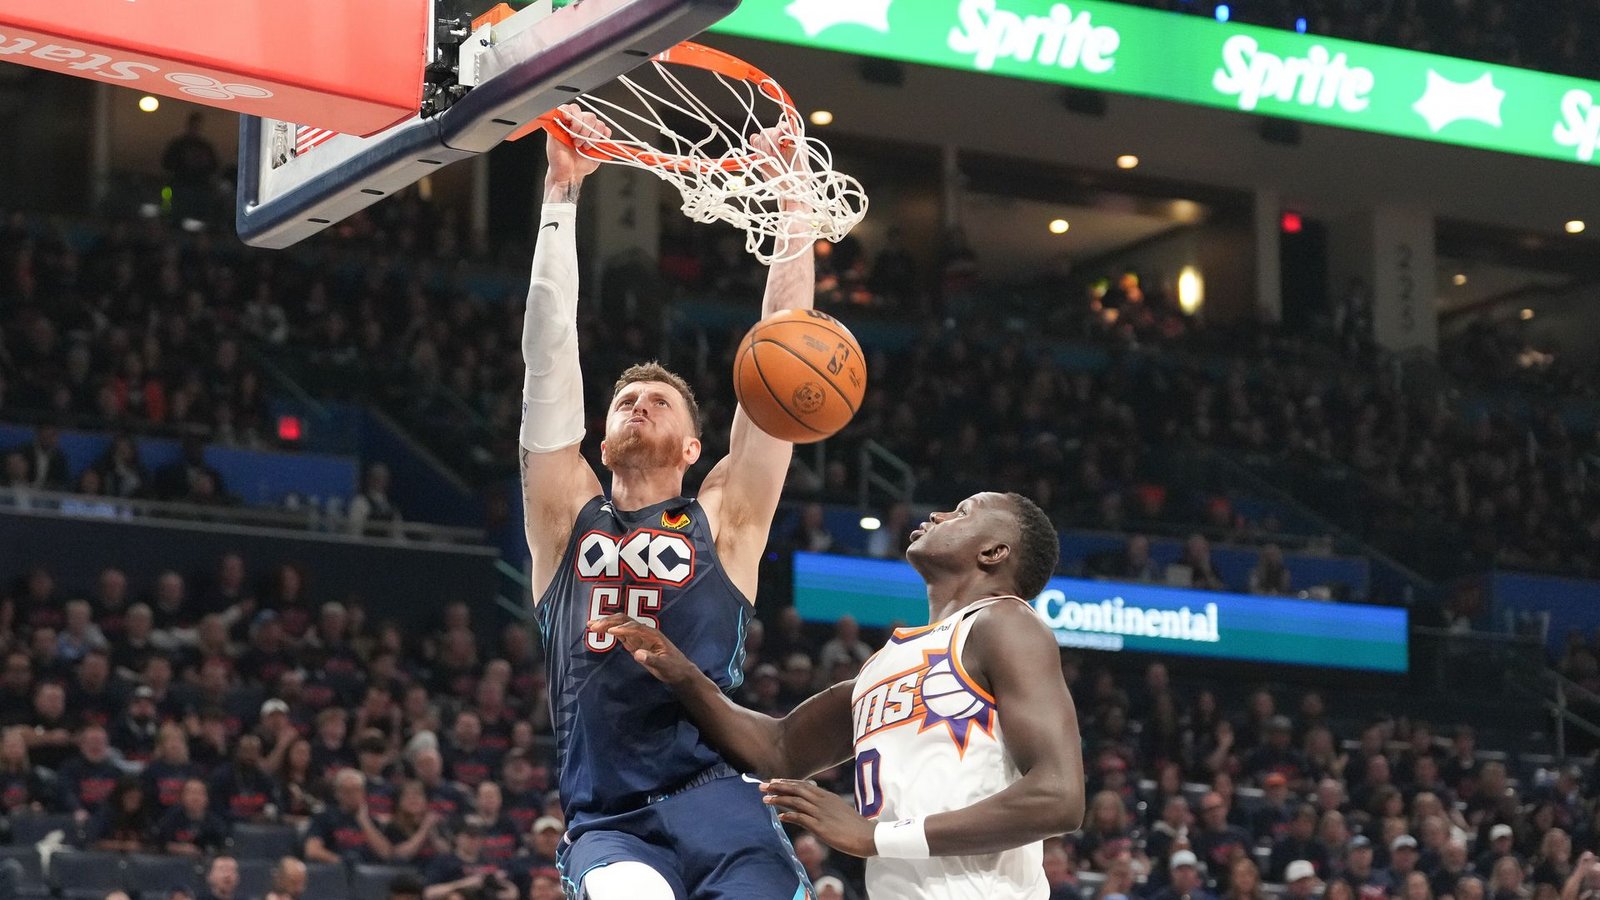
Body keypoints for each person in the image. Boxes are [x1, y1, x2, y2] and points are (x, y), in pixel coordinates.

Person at [517, 105, 822, 899]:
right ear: (603, 434)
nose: (638, 404)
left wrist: (792, 198)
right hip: (607, 819)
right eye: (625, 399)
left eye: (659, 399)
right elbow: (548, 361)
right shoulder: (565, 519)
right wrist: (560, 198)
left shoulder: (725, 515)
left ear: (695, 448)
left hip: (716, 797)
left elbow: (785, 353)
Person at [592, 491, 1085, 899]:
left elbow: (1059, 797)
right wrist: (683, 674)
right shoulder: (883, 665)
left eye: (963, 511)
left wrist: (875, 836)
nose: (936, 514)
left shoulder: (1005, 622)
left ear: (994, 552)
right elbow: (779, 749)